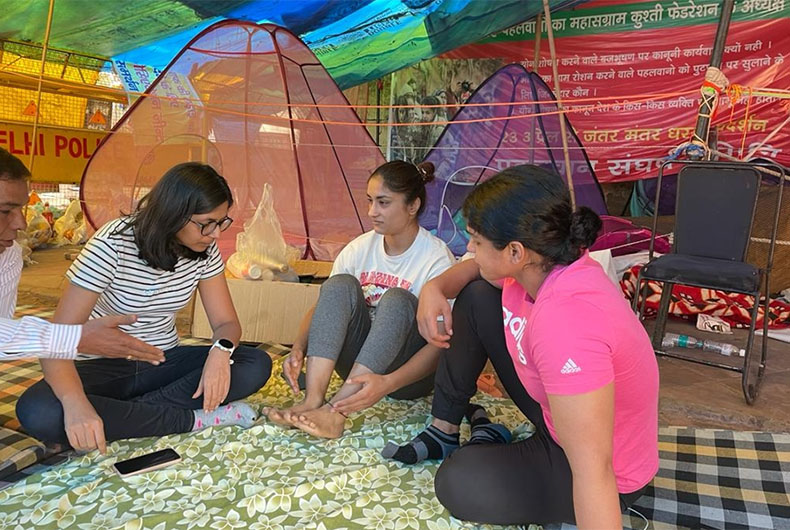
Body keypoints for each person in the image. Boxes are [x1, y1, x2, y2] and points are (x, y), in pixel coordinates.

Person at [385, 165, 659, 527]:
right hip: (559, 417)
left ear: (515, 252)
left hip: (607, 470)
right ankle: (444, 429)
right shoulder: (543, 264)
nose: (468, 249)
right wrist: (434, 289)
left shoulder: (565, 323)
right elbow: (473, 272)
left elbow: (595, 467)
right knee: (477, 297)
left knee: (458, 481)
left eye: (477, 241)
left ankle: (506, 456)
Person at [16, 162, 272, 454]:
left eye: (222, 222)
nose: (215, 234)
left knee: (254, 363)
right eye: (206, 223)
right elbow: (56, 339)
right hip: (101, 367)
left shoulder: (205, 250)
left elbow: (226, 323)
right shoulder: (112, 244)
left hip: (163, 360)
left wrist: (220, 352)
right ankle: (191, 419)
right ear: (174, 214)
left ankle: (124, 416)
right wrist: (76, 405)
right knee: (38, 410)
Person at [266, 161, 455, 439]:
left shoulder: (436, 258)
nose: (372, 212)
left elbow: (440, 347)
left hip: (407, 378)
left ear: (412, 206)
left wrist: (388, 383)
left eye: (383, 202)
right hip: (358, 368)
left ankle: (336, 412)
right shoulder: (359, 248)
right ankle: (313, 400)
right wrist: (298, 347)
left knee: (398, 300)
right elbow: (325, 307)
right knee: (338, 284)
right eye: (369, 201)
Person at [0, 147, 164, 363]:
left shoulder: (9, 254)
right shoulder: (109, 245)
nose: (21, 224)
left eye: (21, 209)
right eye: (5, 211)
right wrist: (72, 338)